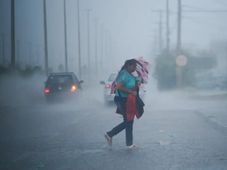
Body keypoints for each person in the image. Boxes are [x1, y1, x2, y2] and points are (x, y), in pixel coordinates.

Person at [104, 59, 139, 149]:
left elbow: (132, 87)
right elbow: (118, 87)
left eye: (136, 66)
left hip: (127, 100)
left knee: (129, 121)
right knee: (128, 121)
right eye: (134, 66)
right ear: (128, 65)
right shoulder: (123, 73)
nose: (135, 68)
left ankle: (129, 144)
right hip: (121, 99)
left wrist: (137, 82)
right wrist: (130, 92)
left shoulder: (130, 75)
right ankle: (110, 134)